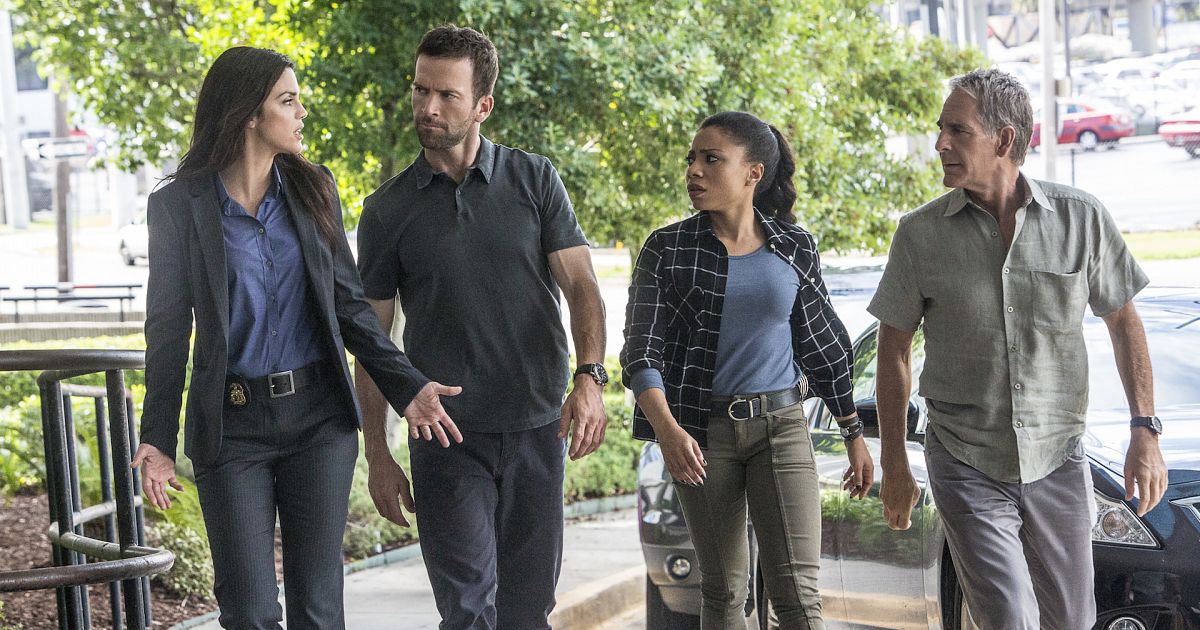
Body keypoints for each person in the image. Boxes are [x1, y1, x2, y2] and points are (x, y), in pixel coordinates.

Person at [130, 46, 460, 630]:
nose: (301, 112)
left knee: (317, 607)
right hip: (232, 428)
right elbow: (168, 330)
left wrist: (407, 387)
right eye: (288, 101)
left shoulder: (314, 189)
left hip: (318, 421)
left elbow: (350, 308)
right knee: (249, 610)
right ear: (248, 114)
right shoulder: (178, 206)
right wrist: (156, 437)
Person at [872, 69, 1168, 629]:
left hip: (1058, 455)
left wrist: (1144, 431)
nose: (940, 143)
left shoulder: (1081, 218)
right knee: (1007, 617)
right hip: (965, 457)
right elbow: (894, 352)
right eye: (941, 129)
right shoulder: (919, 235)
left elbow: (1124, 323)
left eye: (958, 131)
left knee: (1072, 620)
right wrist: (893, 462)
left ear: (1004, 139)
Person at [353, 25, 608, 630]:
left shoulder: (534, 179)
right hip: (444, 435)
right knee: (466, 610)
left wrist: (590, 378)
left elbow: (581, 285)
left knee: (527, 611)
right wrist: (377, 452)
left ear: (483, 106)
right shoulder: (386, 210)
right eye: (421, 90)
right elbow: (372, 340)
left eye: (447, 95)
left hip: (536, 426)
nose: (428, 107)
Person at [621, 111, 874, 629]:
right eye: (692, 158)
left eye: (711, 159)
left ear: (753, 172)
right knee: (724, 591)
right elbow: (642, 351)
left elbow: (823, 345)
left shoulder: (793, 246)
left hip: (782, 429)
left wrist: (853, 433)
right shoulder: (667, 249)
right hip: (701, 435)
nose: (694, 170)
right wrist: (667, 431)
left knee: (798, 597)